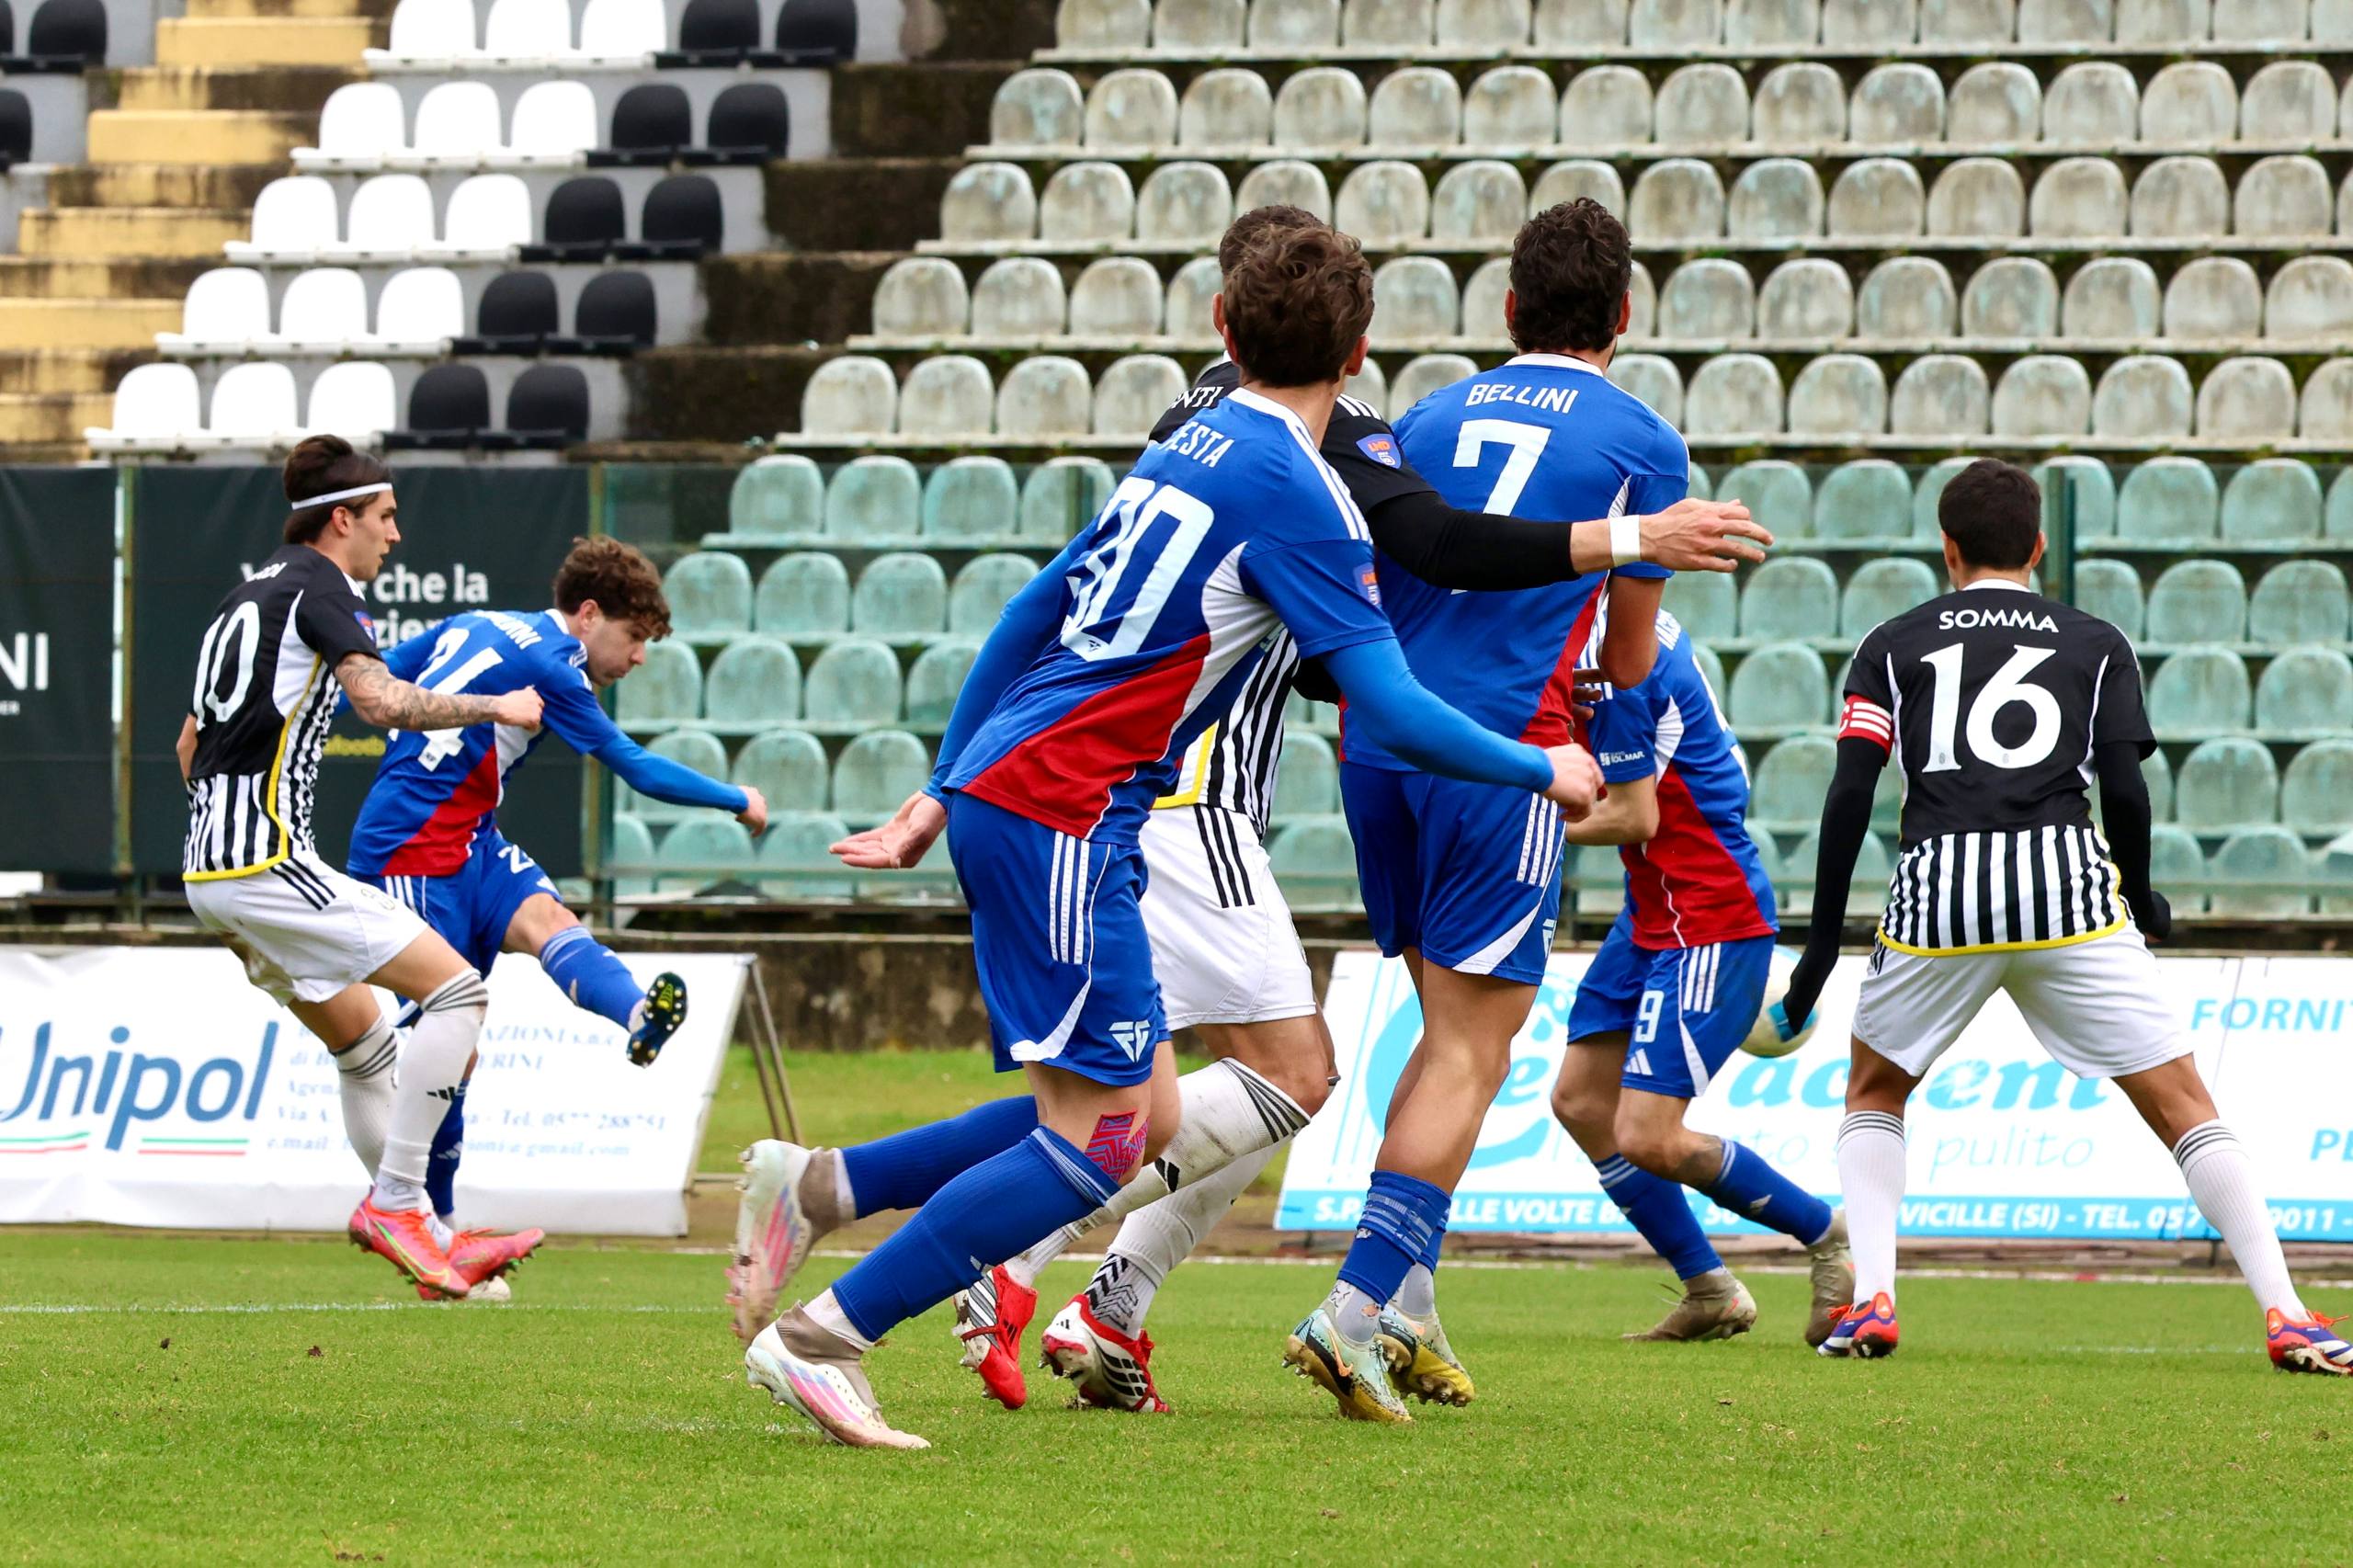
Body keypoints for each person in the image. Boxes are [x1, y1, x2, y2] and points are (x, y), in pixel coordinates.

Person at [725, 205, 1772, 1416]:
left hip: (1060, 793)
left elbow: (1031, 610)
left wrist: (935, 786)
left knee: (1147, 1112)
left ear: (1223, 324)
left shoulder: (1195, 437)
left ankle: (834, 1191)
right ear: (1359, 353)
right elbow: (1404, 661)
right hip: (1096, 806)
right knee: (1159, 1119)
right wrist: (1540, 767)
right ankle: (845, 1327)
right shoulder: (1312, 489)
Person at [1779, 458, 2349, 1374]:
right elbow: (2124, 787)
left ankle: (1874, 1297)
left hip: (1938, 894)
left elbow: (1850, 791)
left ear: (1947, 548)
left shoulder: (1891, 643)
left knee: (1875, 1092)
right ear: (2039, 546)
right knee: (2182, 1104)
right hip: (2067, 894)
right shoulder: (2097, 641)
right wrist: (2141, 892)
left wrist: (1818, 946)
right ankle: (2287, 1313)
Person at [1289, 196, 1690, 1425]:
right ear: (1625, 315)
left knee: (1440, 1032)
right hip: (1505, 752)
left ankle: (1407, 1305)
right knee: (1474, 1047)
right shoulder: (1644, 441)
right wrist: (1608, 728)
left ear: (1509, 307)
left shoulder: (1425, 415)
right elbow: (1629, 657)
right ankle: (1353, 1307)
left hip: (1381, 743)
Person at [346, 536, 768, 1295]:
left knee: (547, 919)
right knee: (453, 1053)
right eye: (634, 637)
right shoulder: (555, 661)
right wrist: (736, 798)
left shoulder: (473, 622)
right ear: (589, 614)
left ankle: (637, 1014)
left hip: (469, 839)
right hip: (408, 848)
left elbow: (373, 675)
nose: (638, 657)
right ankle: (438, 1238)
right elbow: (634, 766)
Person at [176, 436, 544, 1300]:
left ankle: (435, 1248)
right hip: (267, 862)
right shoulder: (323, 589)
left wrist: (227, 847)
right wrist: (494, 703)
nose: (395, 534)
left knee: (367, 1049)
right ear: (341, 520)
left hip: (209, 873)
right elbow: (379, 702)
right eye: (385, 516)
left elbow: (190, 745)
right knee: (460, 994)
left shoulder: (244, 596)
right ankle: (400, 1208)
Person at [1547, 605, 1852, 1346]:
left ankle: (1830, 1235)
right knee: (1582, 1101)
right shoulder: (1621, 618)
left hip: (1711, 915)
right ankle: (1709, 1288)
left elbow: (1634, 817)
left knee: (1648, 1136)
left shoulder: (1612, 659)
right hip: (1652, 909)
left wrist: (1512, 820)